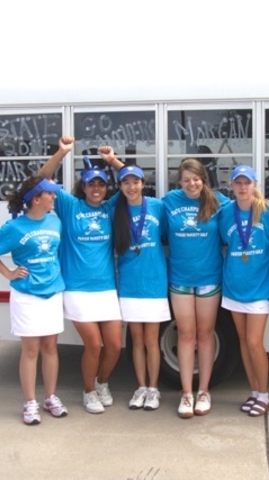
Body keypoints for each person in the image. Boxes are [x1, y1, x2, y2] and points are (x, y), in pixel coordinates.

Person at [37, 138, 125, 415]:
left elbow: (130, 181)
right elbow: (42, 179)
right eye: (91, 184)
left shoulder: (110, 208)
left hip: (106, 287)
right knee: (94, 344)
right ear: (83, 187)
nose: (96, 189)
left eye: (100, 184)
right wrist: (61, 153)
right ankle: (88, 391)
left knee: (114, 345)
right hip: (76, 288)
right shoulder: (69, 206)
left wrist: (113, 161)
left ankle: (102, 383)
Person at [0, 176, 66, 426]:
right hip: (27, 295)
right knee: (31, 350)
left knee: (50, 347)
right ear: (36, 199)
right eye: (50, 194)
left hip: (53, 292)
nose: (54, 197)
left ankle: (50, 397)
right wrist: (8, 273)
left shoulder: (55, 221)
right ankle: (30, 402)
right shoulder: (14, 227)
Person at [162, 158, 229, 418]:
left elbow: (247, 209)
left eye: (196, 179)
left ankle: (204, 391)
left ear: (204, 180)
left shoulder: (218, 202)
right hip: (179, 278)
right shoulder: (170, 201)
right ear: (180, 181)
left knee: (206, 333)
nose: (192, 184)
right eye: (186, 179)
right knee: (186, 334)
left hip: (209, 277)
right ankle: (186, 393)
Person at [218, 165, 269, 417]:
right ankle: (254, 391)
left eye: (247, 183)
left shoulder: (268, 212)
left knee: (255, 342)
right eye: (238, 183)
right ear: (232, 186)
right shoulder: (226, 213)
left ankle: (264, 393)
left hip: (259, 288)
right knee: (244, 342)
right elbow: (225, 242)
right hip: (234, 286)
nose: (243, 187)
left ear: (255, 185)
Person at [113, 165, 170, 411]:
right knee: (136, 340)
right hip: (130, 283)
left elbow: (167, 235)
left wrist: (116, 161)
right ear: (120, 187)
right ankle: (141, 387)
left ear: (143, 184)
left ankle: (154, 389)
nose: (131, 187)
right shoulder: (116, 210)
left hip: (155, 282)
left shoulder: (157, 206)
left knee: (151, 340)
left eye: (136, 182)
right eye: (126, 182)